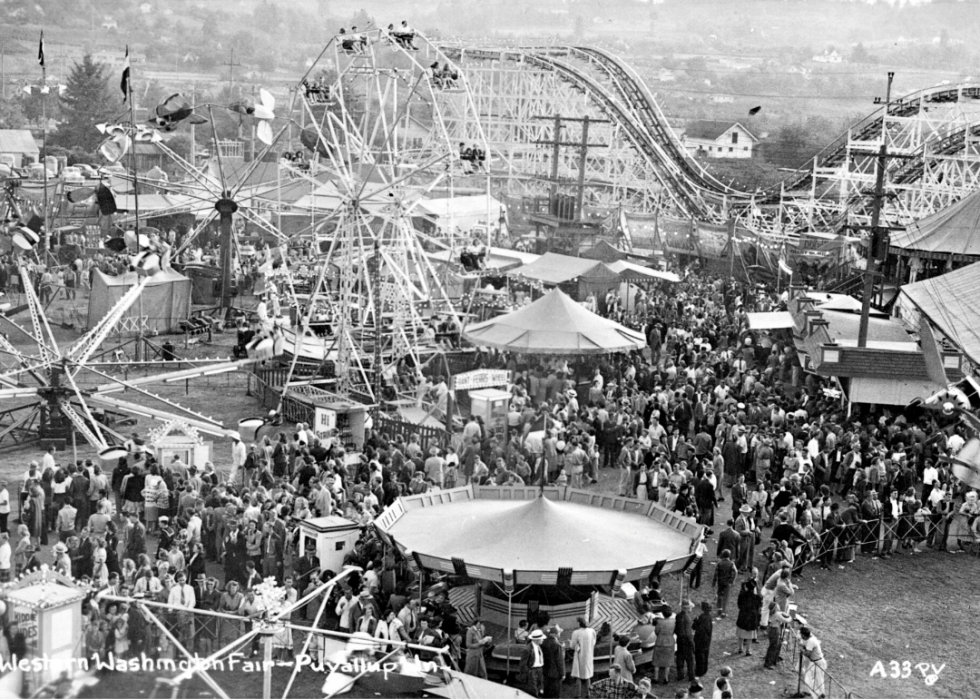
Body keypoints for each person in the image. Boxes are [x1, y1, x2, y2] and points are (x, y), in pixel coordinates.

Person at [571, 616, 597, 698]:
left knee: (578, 675)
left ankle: (578, 695)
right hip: (588, 654)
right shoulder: (592, 631)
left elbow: (572, 646)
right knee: (587, 674)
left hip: (579, 655)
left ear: (579, 623)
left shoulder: (576, 632)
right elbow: (593, 642)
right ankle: (588, 694)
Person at [735, 578, 762, 656]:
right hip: (752, 617)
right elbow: (758, 607)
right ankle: (748, 650)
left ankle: (740, 648)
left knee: (741, 633)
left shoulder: (742, 595)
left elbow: (739, 605)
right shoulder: (757, 597)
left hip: (743, 615)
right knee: (750, 635)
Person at [799, 627, 827, 698]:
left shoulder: (811, 641)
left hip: (818, 662)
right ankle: (818, 694)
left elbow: (807, 653)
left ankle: (820, 695)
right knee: (808, 679)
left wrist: (802, 650)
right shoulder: (810, 639)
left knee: (819, 680)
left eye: (801, 634)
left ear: (803, 635)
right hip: (814, 661)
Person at [519, 629, 546, 697]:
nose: (543, 640)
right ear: (537, 640)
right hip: (532, 671)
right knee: (533, 691)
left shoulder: (539, 647)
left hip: (539, 670)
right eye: (541, 639)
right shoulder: (528, 649)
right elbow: (523, 664)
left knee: (539, 688)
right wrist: (529, 673)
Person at [712, 550, 738, 619]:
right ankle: (724, 612)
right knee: (725, 597)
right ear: (729, 556)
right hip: (727, 583)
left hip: (720, 582)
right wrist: (731, 581)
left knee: (719, 595)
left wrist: (714, 582)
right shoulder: (731, 563)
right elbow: (735, 572)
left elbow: (716, 573)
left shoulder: (719, 563)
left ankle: (719, 609)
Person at [542, 625, 566, 698]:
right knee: (555, 694)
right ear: (556, 634)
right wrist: (563, 673)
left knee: (547, 692)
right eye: (559, 632)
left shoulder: (544, 642)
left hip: (546, 671)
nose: (560, 634)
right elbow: (560, 661)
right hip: (555, 673)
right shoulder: (557, 645)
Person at [692, 601, 714, 678]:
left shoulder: (701, 617)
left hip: (700, 639)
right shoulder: (709, 617)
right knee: (705, 654)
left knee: (699, 656)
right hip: (707, 639)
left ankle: (699, 671)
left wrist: (695, 621)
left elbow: (695, 627)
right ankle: (704, 669)